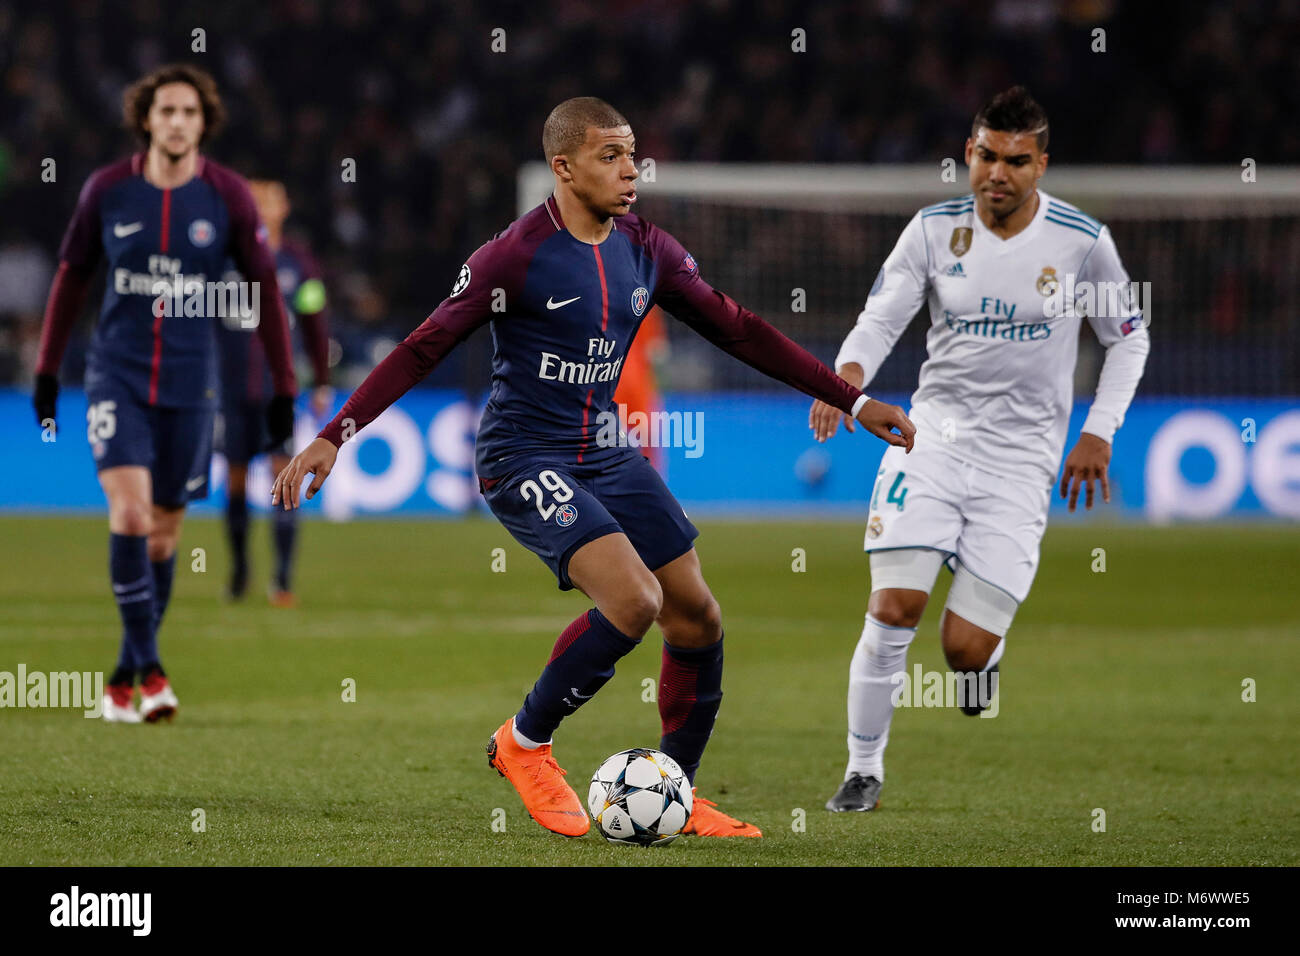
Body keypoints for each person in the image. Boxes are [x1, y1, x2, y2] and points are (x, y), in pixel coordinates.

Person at [272, 97, 914, 838]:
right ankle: (524, 742)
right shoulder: (513, 256)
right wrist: (335, 433)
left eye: (632, 153)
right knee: (634, 600)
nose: (629, 170)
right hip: (520, 455)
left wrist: (852, 398)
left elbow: (738, 329)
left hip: (603, 449)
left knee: (698, 616)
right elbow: (423, 346)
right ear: (563, 167)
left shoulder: (648, 249)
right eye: (609, 155)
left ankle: (678, 788)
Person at [810, 87, 1150, 812]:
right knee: (894, 605)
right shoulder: (933, 233)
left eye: (1017, 161)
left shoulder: (1082, 242)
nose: (999, 173)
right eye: (987, 156)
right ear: (969, 153)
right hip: (929, 440)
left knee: (963, 648)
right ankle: (863, 769)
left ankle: (982, 662)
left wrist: (1099, 431)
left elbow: (1129, 338)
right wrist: (844, 382)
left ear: (1041, 164)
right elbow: (880, 319)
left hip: (1022, 461)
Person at [34, 64, 297, 723]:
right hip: (115, 377)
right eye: (166, 111)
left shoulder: (228, 197)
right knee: (129, 515)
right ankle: (153, 673)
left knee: (163, 534)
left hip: (191, 383)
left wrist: (283, 388)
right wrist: (45, 371)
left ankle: (123, 676)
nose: (177, 121)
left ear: (202, 124)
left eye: (189, 112)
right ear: (146, 120)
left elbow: (265, 289)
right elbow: (70, 278)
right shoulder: (108, 191)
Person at [216, 179, 332, 606]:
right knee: (235, 480)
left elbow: (315, 322)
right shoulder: (224, 260)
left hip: (277, 391)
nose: (263, 206)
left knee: (283, 477)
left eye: (271, 199)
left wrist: (320, 379)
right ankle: (240, 573)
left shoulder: (300, 263)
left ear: (284, 208)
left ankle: (281, 580)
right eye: (255, 199)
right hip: (229, 390)